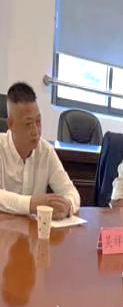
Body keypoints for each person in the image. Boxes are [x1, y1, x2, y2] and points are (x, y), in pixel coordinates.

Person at [0, 82, 80, 219]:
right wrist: (32, 204)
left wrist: (67, 205)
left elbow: (71, 191)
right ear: (11, 124)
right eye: (28, 124)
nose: (36, 131)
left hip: (34, 230)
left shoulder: (46, 151)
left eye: (38, 121)